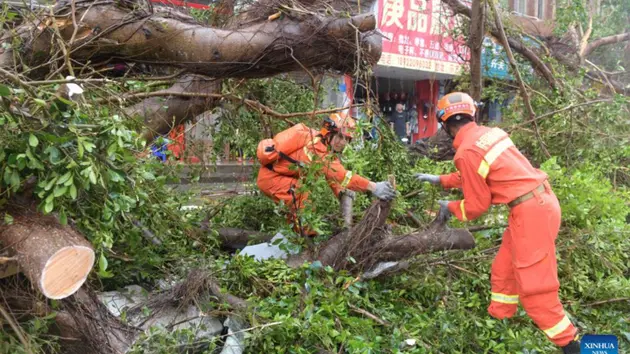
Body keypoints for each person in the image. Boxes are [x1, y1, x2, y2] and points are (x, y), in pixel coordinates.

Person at [414, 92, 580, 354]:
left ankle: (572, 345)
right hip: (537, 204)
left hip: (532, 214)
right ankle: (500, 323)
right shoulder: (490, 134)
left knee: (535, 287)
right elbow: (479, 171)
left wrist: (451, 208)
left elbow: (477, 204)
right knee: (503, 268)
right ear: (472, 114)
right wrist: (441, 180)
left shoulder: (466, 151)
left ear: (444, 125)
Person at [256, 112, 396, 236]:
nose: (342, 143)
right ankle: (307, 239)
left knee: (301, 194)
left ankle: (298, 235)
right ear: (328, 133)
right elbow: (342, 176)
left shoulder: (321, 145)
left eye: (346, 139)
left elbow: (331, 175)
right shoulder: (317, 150)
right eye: (340, 137)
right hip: (271, 179)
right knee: (300, 196)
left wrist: (339, 192)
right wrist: (374, 187)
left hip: (279, 177)